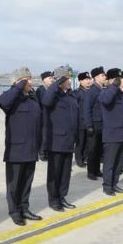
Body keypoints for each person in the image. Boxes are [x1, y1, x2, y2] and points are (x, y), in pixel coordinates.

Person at [0, 67, 43, 226]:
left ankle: (24, 207)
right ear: (17, 82)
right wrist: (18, 86)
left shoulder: (32, 97)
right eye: (26, 79)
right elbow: (2, 102)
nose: (30, 82)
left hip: (31, 147)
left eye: (30, 78)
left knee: (27, 181)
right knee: (14, 183)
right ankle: (14, 211)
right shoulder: (11, 98)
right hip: (16, 149)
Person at [42, 66, 79, 211]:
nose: (69, 81)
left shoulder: (71, 95)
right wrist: (56, 83)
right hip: (56, 141)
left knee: (65, 173)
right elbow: (46, 101)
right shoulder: (53, 95)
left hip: (69, 140)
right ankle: (53, 199)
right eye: (66, 79)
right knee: (55, 172)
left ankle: (62, 197)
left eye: (69, 78)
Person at [99, 68, 123, 195]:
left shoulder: (122, 94)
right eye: (121, 80)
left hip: (122, 134)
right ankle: (107, 186)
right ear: (112, 80)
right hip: (111, 135)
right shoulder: (106, 92)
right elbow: (106, 100)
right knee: (110, 163)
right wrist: (114, 85)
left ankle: (115, 184)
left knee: (118, 164)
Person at [84, 66, 106, 181]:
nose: (104, 77)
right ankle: (91, 171)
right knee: (92, 150)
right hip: (94, 125)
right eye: (102, 75)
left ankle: (97, 170)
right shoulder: (91, 91)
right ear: (96, 77)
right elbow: (87, 109)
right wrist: (89, 125)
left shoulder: (102, 89)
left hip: (102, 125)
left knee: (99, 149)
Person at [73, 72, 92, 168]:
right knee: (80, 142)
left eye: (89, 79)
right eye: (86, 79)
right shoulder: (77, 93)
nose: (88, 81)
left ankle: (85, 157)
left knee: (88, 141)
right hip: (80, 121)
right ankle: (79, 159)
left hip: (89, 121)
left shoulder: (90, 91)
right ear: (80, 81)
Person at [36, 71, 54, 162]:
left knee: (49, 134)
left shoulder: (51, 89)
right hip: (43, 116)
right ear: (44, 80)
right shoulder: (41, 90)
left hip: (51, 116)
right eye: (49, 78)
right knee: (44, 135)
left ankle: (46, 151)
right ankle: (42, 152)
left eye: (52, 78)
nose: (52, 80)